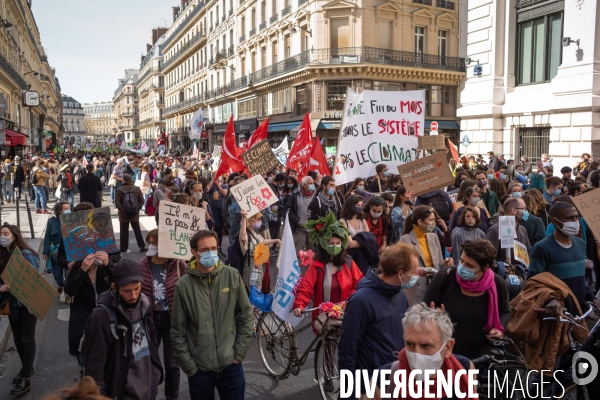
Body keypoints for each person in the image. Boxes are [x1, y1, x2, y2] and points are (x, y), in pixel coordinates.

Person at [170, 230, 253, 400]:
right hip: (200, 369)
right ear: (193, 252)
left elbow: (246, 316)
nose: (211, 253)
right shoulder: (183, 286)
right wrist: (190, 366)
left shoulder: (232, 275)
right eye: (205, 250)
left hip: (231, 365)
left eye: (214, 248)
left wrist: (239, 353)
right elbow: (177, 330)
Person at [338, 242, 418, 390]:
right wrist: (348, 391)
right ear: (400, 274)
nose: (416, 276)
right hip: (371, 385)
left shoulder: (400, 295)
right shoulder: (361, 300)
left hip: (396, 380)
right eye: (414, 273)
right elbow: (347, 349)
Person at [82, 259, 164, 400]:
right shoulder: (101, 317)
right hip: (121, 393)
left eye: (136, 289)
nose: (133, 295)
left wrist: (156, 376)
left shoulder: (144, 305)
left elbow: (152, 343)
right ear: (114, 287)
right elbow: (94, 364)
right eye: (126, 291)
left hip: (148, 390)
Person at [367, 303, 478, 399]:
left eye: (426, 346)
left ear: (448, 347)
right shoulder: (383, 379)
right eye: (410, 344)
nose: (417, 353)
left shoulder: (465, 369)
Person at [424, 239, 511, 359]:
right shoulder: (445, 277)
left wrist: (498, 328)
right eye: (461, 261)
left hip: (481, 357)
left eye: (469, 265)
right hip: (445, 354)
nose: (462, 267)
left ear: (485, 267)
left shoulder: (497, 283)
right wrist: (434, 317)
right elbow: (424, 309)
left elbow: (506, 312)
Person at [138, 229, 186, 400]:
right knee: (149, 363)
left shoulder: (179, 265)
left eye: (156, 243)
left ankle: (171, 397)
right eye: (150, 242)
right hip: (150, 320)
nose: (152, 246)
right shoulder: (141, 265)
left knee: (172, 364)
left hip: (172, 320)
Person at [293, 213, 363, 320]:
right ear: (324, 245)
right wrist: (299, 305)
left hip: (347, 314)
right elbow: (306, 287)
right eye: (331, 243)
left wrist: (349, 300)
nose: (335, 246)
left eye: (338, 243)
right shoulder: (316, 265)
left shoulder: (348, 262)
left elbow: (360, 284)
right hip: (323, 317)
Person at [0, 223, 41, 394]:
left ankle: (25, 378)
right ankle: (27, 367)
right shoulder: (3, 254)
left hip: (27, 304)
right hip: (13, 304)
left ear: (15, 236)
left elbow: (35, 280)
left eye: (6, 233)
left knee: (27, 338)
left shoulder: (25, 254)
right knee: (17, 339)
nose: (3, 236)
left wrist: (34, 303)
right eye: (1, 233)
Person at [64, 251, 113, 365]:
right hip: (83, 323)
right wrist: (82, 270)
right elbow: (69, 290)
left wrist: (108, 264)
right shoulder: (77, 269)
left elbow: (119, 282)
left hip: (105, 323)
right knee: (85, 362)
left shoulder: (105, 269)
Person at [399, 206, 453, 305]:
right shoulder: (405, 240)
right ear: (420, 222)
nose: (434, 223)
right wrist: (416, 271)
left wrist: (446, 263)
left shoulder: (433, 237)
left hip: (434, 287)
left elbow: (440, 263)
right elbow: (401, 268)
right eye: (431, 220)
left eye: (434, 220)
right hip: (416, 290)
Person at [239, 209, 280, 290]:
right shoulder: (246, 234)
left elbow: (263, 241)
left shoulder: (255, 233)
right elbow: (243, 237)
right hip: (250, 269)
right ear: (251, 221)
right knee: (254, 295)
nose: (260, 221)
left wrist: (277, 240)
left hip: (258, 268)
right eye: (258, 219)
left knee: (257, 293)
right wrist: (244, 218)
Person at [485, 197, 532, 263]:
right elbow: (489, 257)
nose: (526, 212)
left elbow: (528, 251)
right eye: (523, 209)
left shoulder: (522, 230)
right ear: (513, 211)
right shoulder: (495, 231)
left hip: (520, 272)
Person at [115, 174, 147, 254]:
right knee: (137, 230)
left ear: (124, 180)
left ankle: (123, 248)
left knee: (123, 231)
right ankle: (141, 246)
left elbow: (117, 202)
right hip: (134, 213)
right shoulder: (137, 189)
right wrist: (136, 209)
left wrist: (123, 211)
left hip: (123, 215)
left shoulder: (119, 190)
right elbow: (141, 201)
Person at [43, 201, 70, 291]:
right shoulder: (52, 222)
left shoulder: (72, 221)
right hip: (57, 253)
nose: (68, 210)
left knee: (69, 275)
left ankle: (68, 294)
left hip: (69, 252)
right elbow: (47, 238)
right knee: (57, 275)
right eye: (65, 209)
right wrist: (45, 251)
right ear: (59, 211)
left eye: (69, 208)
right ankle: (61, 285)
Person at [286, 175, 317, 253]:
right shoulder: (295, 194)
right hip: (299, 228)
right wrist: (297, 221)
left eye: (313, 183)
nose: (312, 185)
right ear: (304, 185)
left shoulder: (316, 194)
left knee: (311, 253)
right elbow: (290, 210)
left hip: (312, 228)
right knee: (298, 251)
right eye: (310, 183)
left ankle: (309, 265)